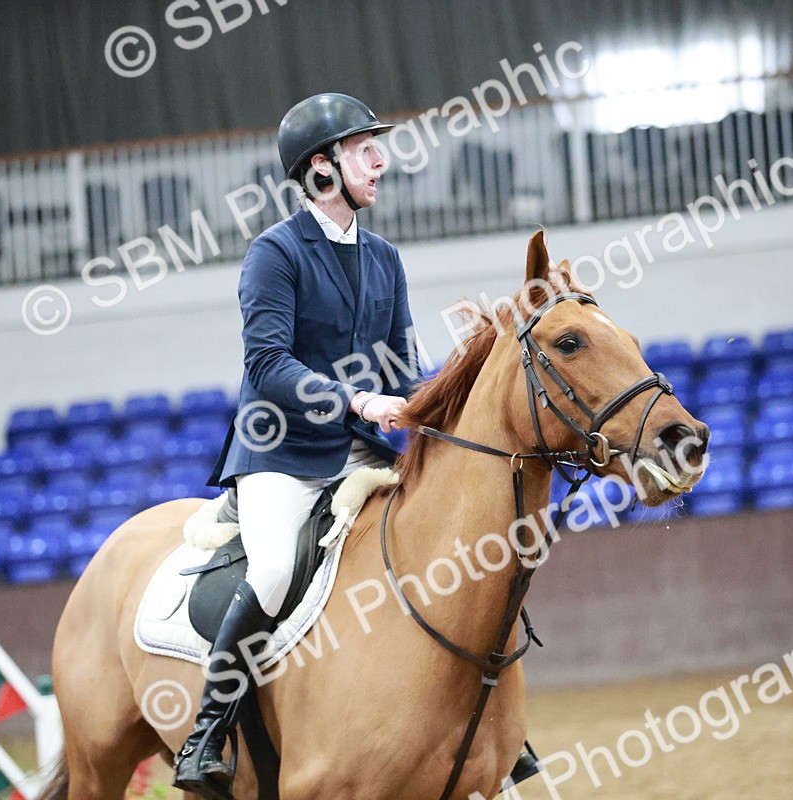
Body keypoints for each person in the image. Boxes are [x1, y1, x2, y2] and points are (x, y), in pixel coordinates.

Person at [173, 92, 540, 798]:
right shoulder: (274, 253)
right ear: (321, 167)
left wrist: (443, 403)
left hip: (364, 448)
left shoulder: (384, 258)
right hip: (282, 453)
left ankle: (496, 722)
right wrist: (356, 399)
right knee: (273, 568)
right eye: (364, 150)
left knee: (456, 534)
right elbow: (267, 365)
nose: (381, 161)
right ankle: (208, 733)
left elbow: (403, 366)